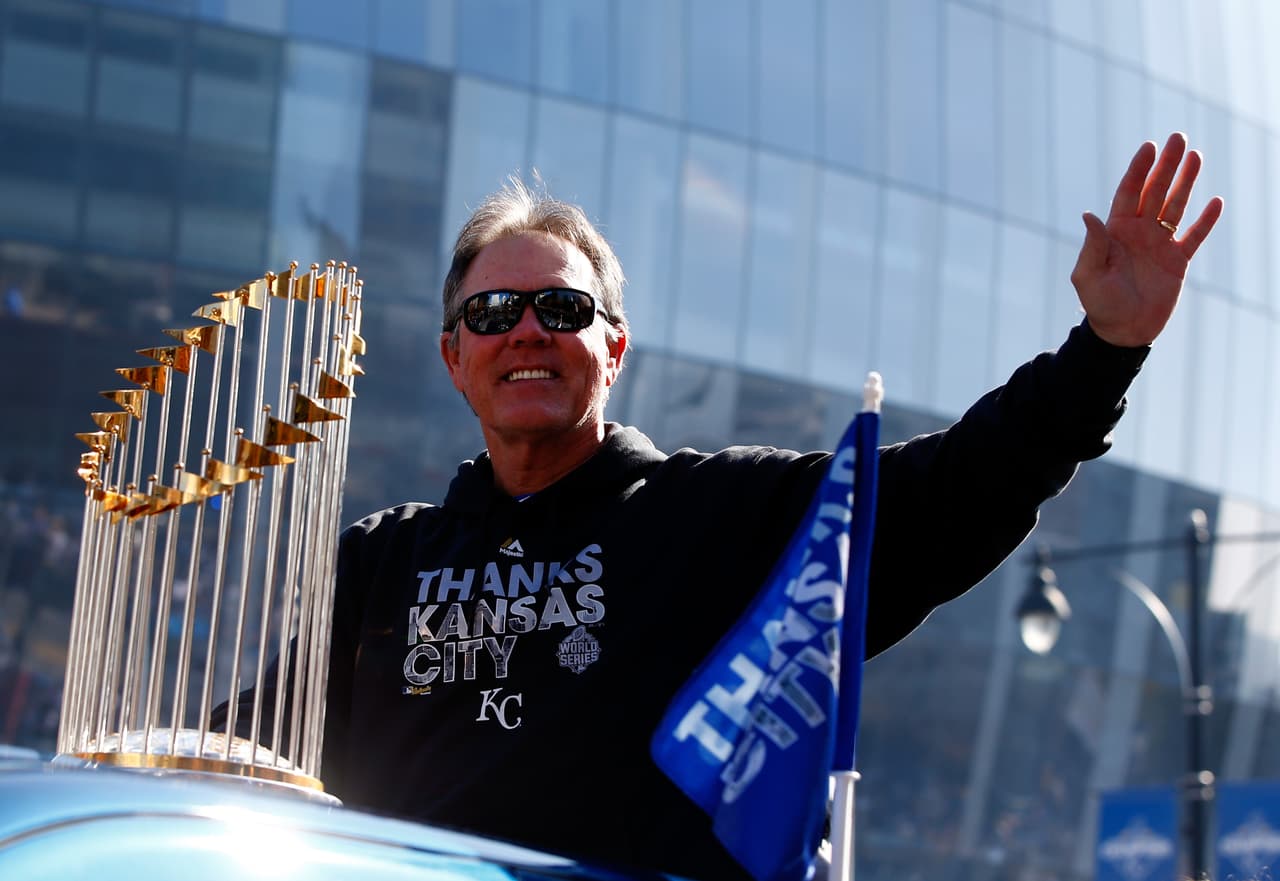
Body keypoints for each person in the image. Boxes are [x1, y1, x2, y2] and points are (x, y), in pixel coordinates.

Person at [219, 134, 1221, 880]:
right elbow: (240, 755)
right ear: (454, 355)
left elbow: (950, 493)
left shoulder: (716, 515)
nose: (528, 330)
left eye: (563, 308)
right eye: (492, 312)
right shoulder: (380, 562)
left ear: (613, 347)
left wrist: (1102, 351)